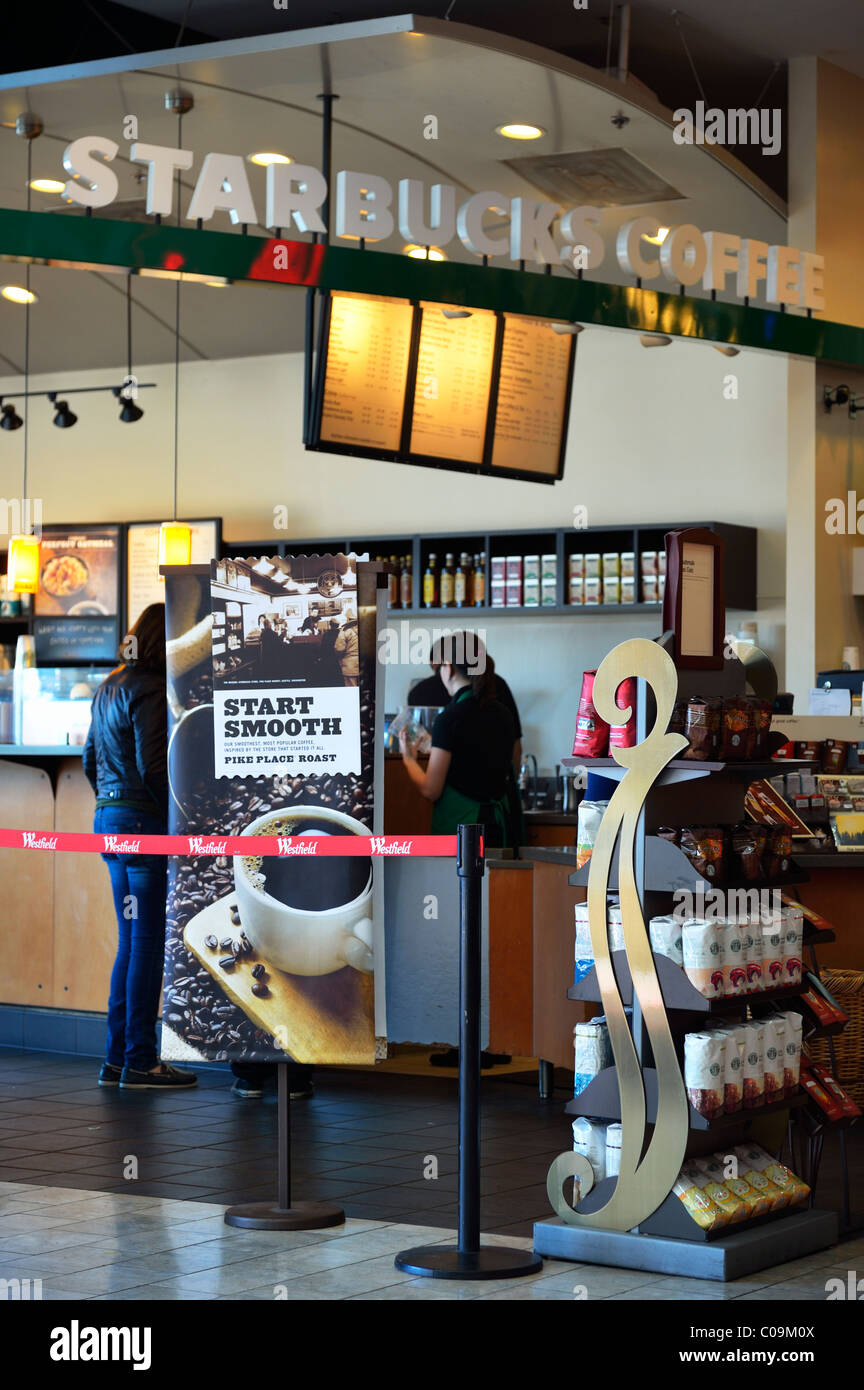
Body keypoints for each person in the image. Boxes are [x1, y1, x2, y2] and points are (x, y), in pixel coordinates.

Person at [83, 604, 196, 1091]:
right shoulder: (149, 688)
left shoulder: (109, 685)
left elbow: (90, 759)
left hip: (109, 821)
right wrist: (176, 816)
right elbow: (154, 766)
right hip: (142, 825)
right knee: (146, 945)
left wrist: (112, 802)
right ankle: (142, 1061)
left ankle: (116, 1060)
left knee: (130, 944)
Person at [399, 634, 516, 849]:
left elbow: (430, 790)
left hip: (464, 831)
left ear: (449, 668)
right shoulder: (502, 713)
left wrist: (408, 759)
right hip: (499, 827)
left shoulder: (449, 718)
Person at [334, 616, 359, 686]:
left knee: (351, 689)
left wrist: (338, 658)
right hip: (363, 665)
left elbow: (339, 648)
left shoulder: (345, 632)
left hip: (349, 666)